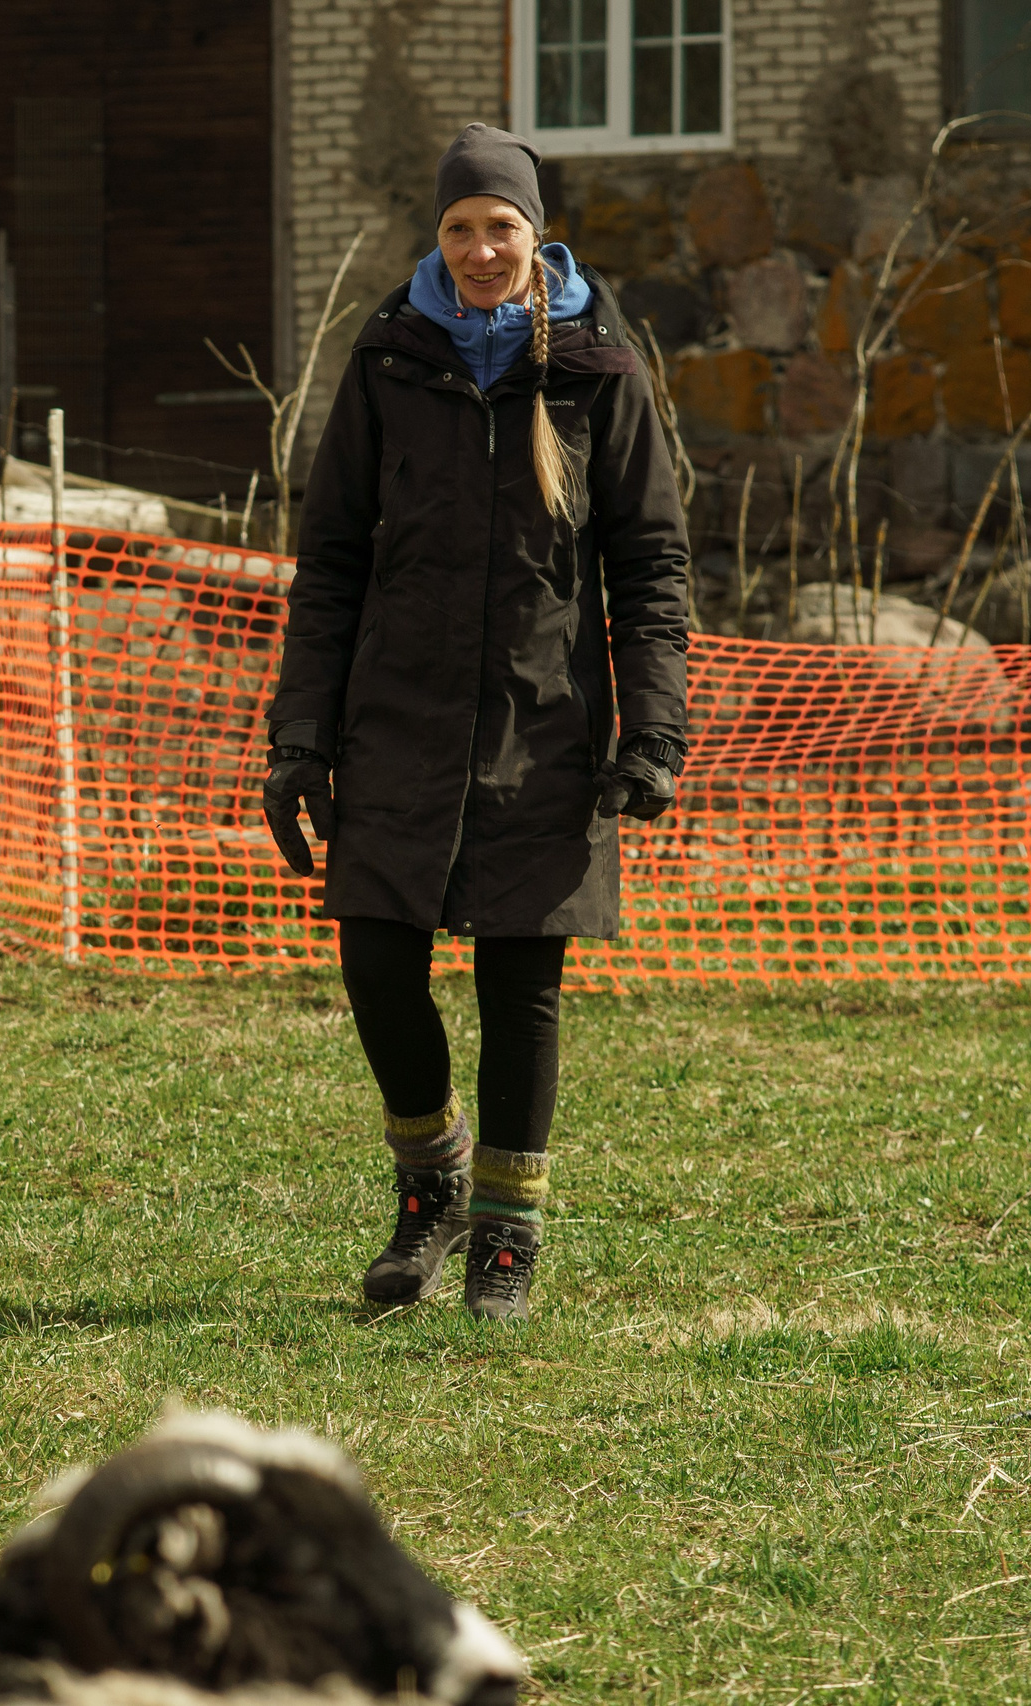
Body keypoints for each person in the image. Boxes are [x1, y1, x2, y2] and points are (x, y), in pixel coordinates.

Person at [261, 124, 690, 1322]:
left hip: (541, 724)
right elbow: (332, 558)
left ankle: (507, 1227)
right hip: (392, 718)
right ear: (436, 239)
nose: (478, 248)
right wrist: (300, 735)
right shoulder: (389, 360)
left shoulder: (599, 371)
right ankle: (431, 1181)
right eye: (458, 228)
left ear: (535, 236)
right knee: (375, 962)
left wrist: (652, 731)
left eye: (500, 226)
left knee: (520, 988)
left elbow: (651, 566)